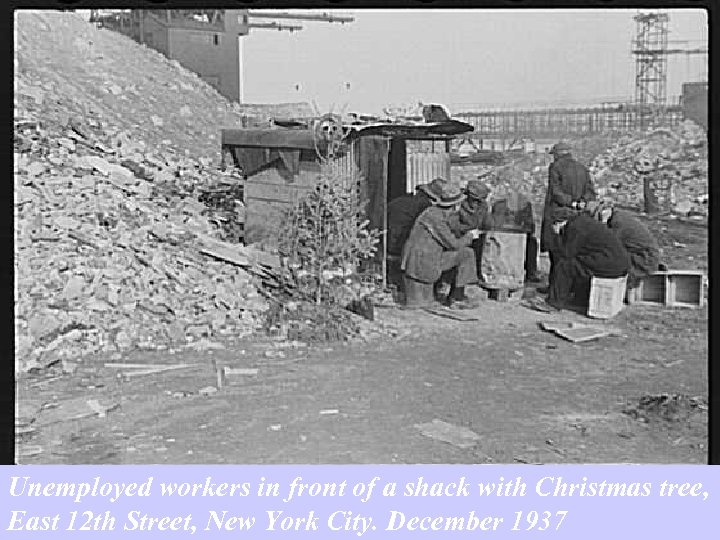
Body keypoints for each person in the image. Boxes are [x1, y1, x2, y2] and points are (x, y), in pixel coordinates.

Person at [402, 184, 481, 309]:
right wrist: (470, 236)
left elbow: (451, 228)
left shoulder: (434, 212)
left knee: (465, 253)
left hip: (424, 258)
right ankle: (457, 297)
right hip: (422, 262)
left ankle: (455, 295)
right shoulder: (435, 217)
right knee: (466, 254)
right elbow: (453, 244)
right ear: (455, 204)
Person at [545, 207, 630, 310]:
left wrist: (558, 235)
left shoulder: (575, 228)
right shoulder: (583, 221)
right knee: (580, 264)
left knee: (566, 266)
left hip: (611, 263)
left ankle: (554, 303)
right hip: (616, 262)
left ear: (559, 222)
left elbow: (566, 254)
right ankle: (579, 299)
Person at [540, 142, 596, 292]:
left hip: (559, 213)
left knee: (556, 250)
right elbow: (590, 193)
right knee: (571, 249)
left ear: (558, 154)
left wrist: (570, 202)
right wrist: (581, 204)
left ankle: (555, 287)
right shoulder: (582, 168)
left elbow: (555, 192)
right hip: (577, 216)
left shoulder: (556, 167)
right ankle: (570, 287)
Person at [594, 200, 662, 288]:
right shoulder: (619, 216)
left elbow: (607, 247)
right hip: (644, 255)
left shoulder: (618, 223)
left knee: (610, 267)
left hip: (645, 259)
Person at [386, 178, 446, 257]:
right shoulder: (427, 210)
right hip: (404, 252)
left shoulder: (398, 201)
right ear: (432, 199)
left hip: (387, 248)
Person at [490, 190, 540, 282]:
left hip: (520, 235)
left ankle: (531, 272)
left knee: (532, 243)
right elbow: (495, 224)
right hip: (502, 235)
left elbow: (531, 226)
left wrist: (523, 228)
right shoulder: (500, 206)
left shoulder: (526, 207)